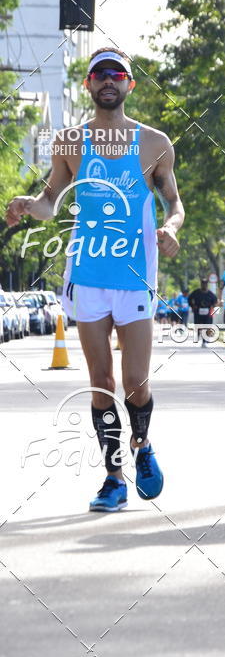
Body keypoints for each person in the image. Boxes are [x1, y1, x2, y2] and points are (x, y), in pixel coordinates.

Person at [6, 47, 184, 512]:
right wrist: (30, 205)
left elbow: (174, 204)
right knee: (101, 381)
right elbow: (51, 199)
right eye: (99, 74)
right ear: (88, 85)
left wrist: (170, 229)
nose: (108, 80)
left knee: (136, 382)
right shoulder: (68, 142)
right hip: (86, 274)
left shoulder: (154, 143)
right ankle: (113, 477)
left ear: (130, 84)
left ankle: (143, 447)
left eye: (117, 74)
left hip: (134, 275)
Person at [188, 279, 217, 346]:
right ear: (201, 285)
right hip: (198, 311)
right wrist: (192, 306)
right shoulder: (196, 292)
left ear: (207, 285)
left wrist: (212, 307)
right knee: (198, 325)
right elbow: (189, 299)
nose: (204, 285)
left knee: (206, 326)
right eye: (203, 284)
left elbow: (215, 302)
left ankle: (205, 340)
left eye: (205, 284)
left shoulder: (211, 294)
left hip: (207, 312)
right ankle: (198, 334)